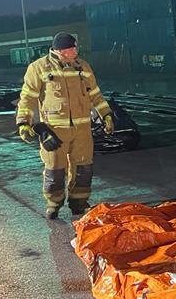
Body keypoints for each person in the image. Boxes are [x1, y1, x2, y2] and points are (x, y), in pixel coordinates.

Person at [15, 32, 113, 219]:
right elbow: (27, 98)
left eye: (76, 47)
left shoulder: (83, 67)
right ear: (62, 50)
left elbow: (96, 95)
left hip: (82, 130)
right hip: (55, 131)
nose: (76, 50)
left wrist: (106, 115)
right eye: (72, 48)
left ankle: (79, 204)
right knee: (55, 170)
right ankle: (54, 204)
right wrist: (23, 124)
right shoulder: (39, 68)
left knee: (83, 169)